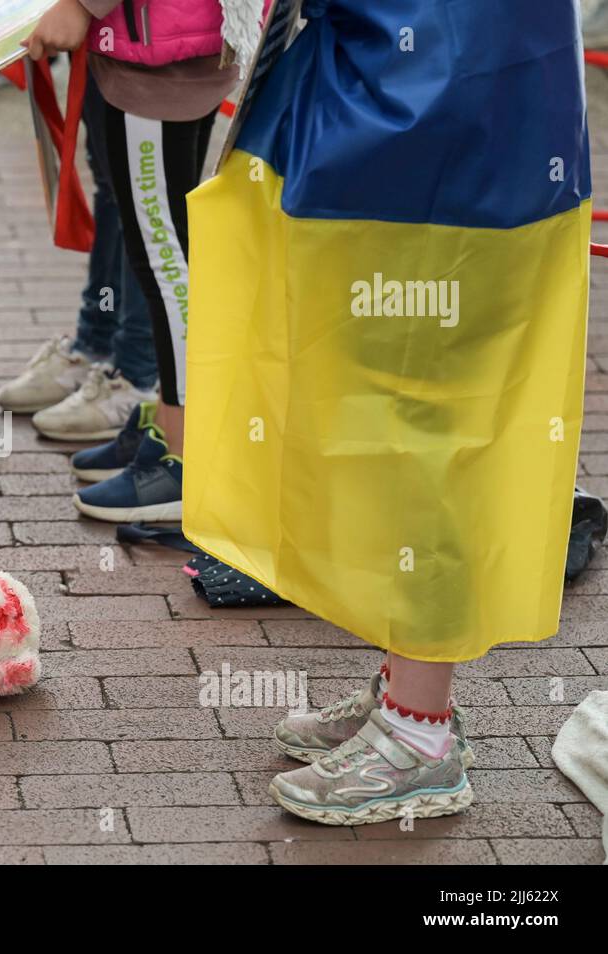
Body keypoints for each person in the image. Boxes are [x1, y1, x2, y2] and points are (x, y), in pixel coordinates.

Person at [182, 0, 590, 824]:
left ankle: (420, 733)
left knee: (419, 431)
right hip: (436, 107)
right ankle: (408, 690)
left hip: (430, 122)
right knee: (387, 419)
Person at [22, 0, 263, 523]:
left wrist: (80, 6)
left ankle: (184, 459)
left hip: (155, 56)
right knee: (165, 255)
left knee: (165, 264)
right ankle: (170, 423)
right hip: (159, 45)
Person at [0, 72, 159, 446]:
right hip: (112, 40)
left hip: (152, 40)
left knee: (140, 197)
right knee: (113, 184)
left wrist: (81, 8)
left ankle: (138, 376)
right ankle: (99, 342)